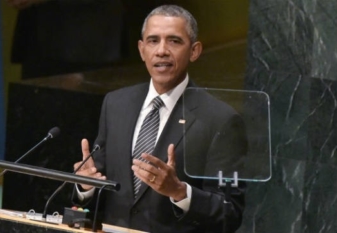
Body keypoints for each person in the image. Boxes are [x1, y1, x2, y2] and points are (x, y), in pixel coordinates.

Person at [73, 5, 247, 233]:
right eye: (153, 41)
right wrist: (86, 185)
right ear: (141, 49)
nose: (162, 50)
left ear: (194, 51)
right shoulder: (115, 104)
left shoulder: (221, 119)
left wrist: (179, 192)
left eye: (174, 41)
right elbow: (101, 182)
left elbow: (230, 213)